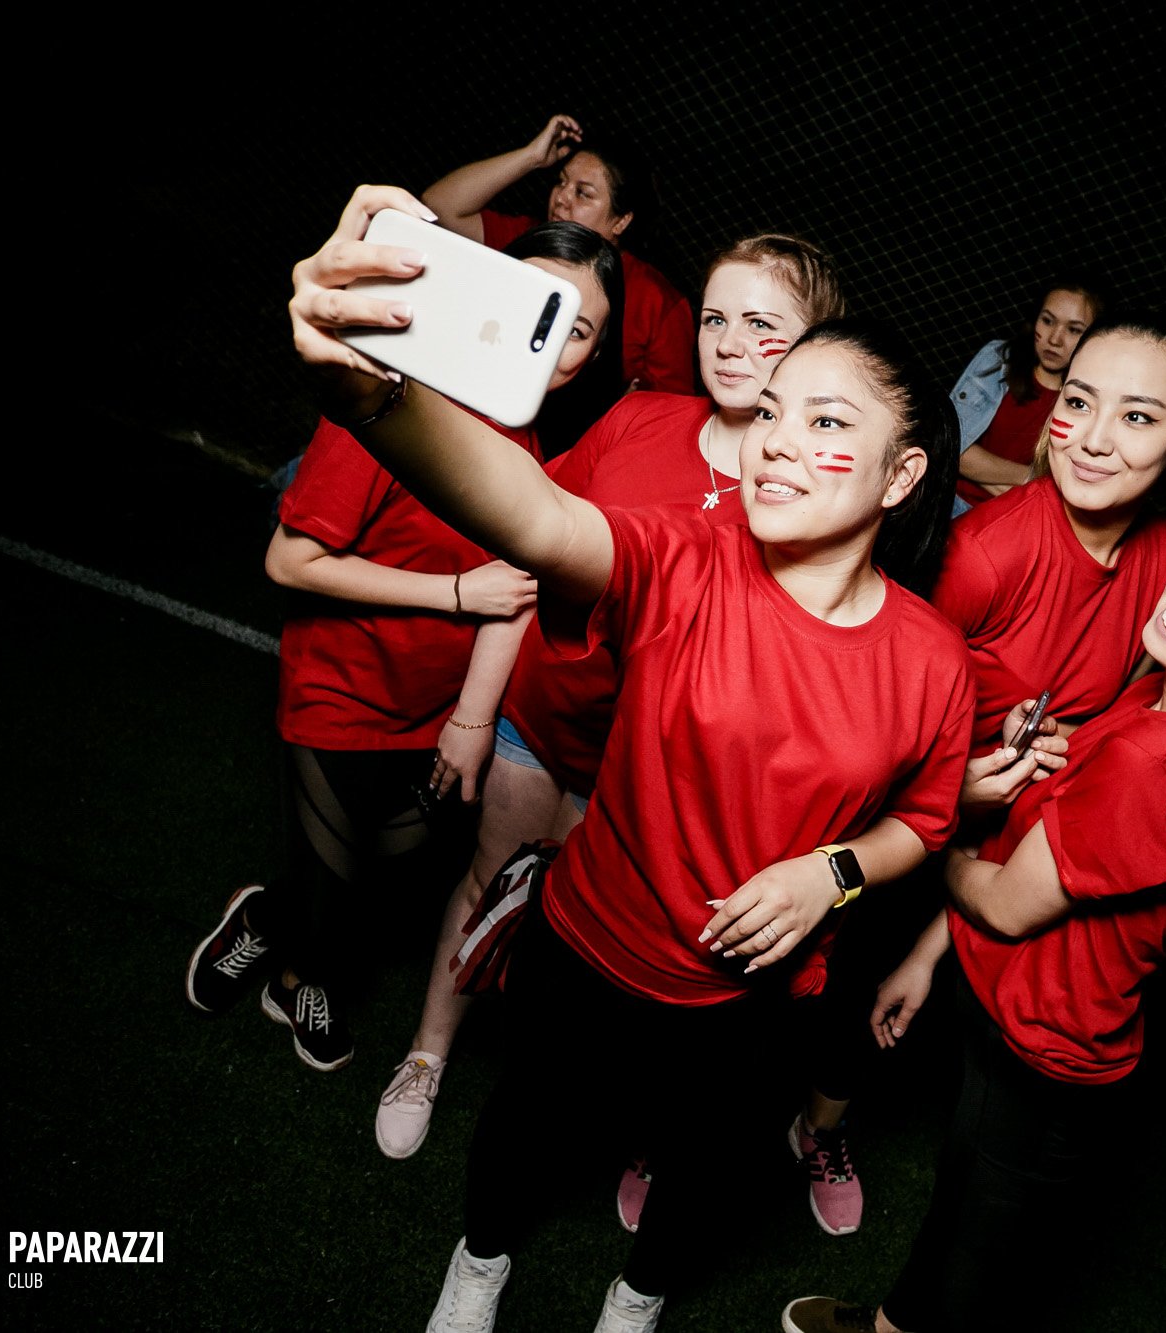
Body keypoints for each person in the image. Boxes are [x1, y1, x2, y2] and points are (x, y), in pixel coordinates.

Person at [288, 184, 973, 1333]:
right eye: (774, 414)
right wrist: (371, 393)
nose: (778, 442)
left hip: (742, 997)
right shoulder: (686, 559)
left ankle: (634, 1301)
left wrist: (831, 874)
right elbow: (536, 517)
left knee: (697, 1167)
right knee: (525, 1127)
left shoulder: (931, 658)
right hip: (587, 942)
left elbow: (927, 818)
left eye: (826, 423)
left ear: (899, 476)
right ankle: (479, 1264)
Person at [783, 518, 1166, 1333]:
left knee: (972, 1255)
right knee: (964, 1208)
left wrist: (937, 837)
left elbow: (1008, 902)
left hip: (1042, 1050)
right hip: (1019, 1015)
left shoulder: (1155, 760)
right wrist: (929, 951)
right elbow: (1065, 815)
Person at [374, 232, 847, 1161]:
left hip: (646, 769)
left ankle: (560, 1106)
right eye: (715, 318)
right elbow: (532, 550)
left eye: (762, 324)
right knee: (486, 880)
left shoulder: (807, 492)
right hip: (540, 717)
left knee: (581, 941)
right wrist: (475, 712)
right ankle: (427, 1053)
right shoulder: (636, 419)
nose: (729, 343)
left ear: (818, 346)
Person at [789, 310, 1166, 1234]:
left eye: (1138, 417)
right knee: (826, 978)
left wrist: (1045, 756)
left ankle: (818, 1124)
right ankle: (695, 1126)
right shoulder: (984, 552)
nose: (1093, 438)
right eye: (1079, 402)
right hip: (898, 813)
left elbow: (1115, 726)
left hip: (1008, 836)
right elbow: (864, 717)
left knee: (898, 1007)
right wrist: (957, 784)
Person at [182, 221, 622, 1073]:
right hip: (340, 688)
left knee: (379, 872)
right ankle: (296, 977)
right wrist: (455, 592)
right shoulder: (387, 403)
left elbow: (518, 591)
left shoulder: (537, 449)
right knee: (337, 879)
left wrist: (470, 717)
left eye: (575, 329)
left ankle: (267, 916)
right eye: (533, 307)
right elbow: (290, 560)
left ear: (595, 353)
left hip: (434, 709)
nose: (548, 344)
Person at [424, 114, 695, 399]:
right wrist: (531, 157)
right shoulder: (528, 240)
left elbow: (673, 405)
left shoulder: (659, 302)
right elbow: (439, 207)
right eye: (561, 182)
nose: (561, 198)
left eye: (583, 193)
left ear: (621, 221)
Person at [950, 278, 1105, 512]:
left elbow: (1060, 494)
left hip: (1008, 520)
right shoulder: (998, 360)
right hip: (948, 501)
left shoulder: (1090, 402)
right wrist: (1031, 476)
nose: (1054, 339)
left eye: (1073, 330)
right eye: (1048, 321)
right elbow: (950, 447)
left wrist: (977, 469)